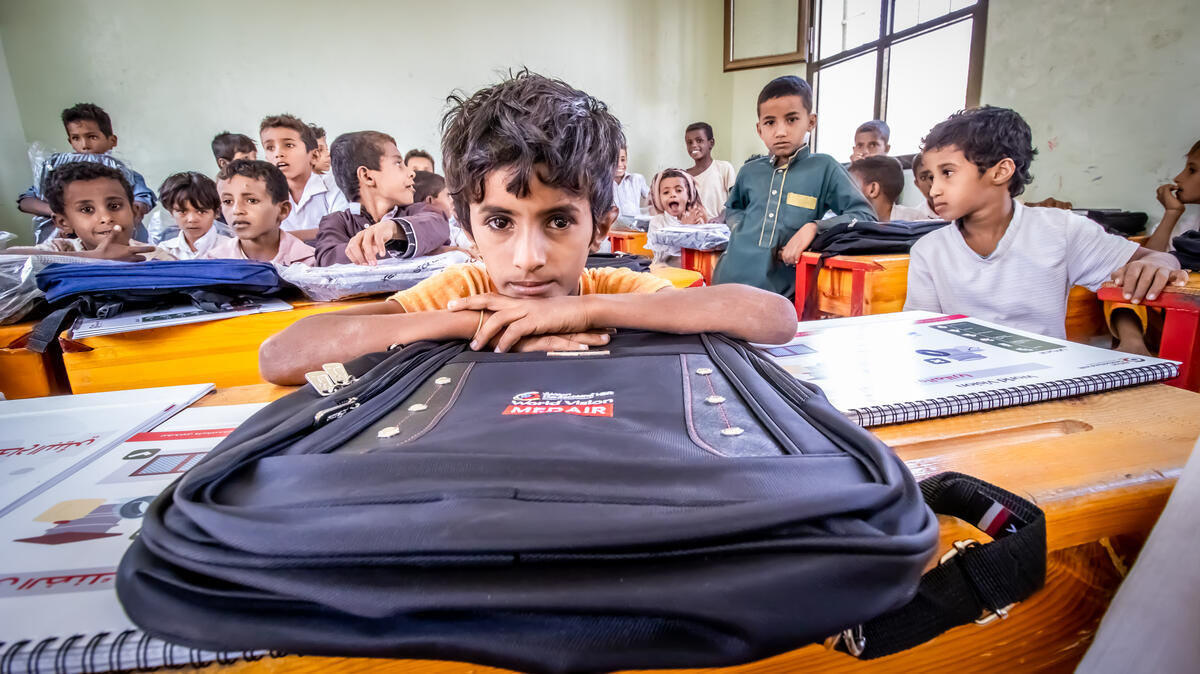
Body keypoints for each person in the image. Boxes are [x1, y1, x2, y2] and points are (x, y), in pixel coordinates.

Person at [259, 71, 796, 385]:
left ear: (600, 227)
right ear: (468, 227)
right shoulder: (464, 295)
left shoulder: (605, 289)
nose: (528, 258)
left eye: (559, 220)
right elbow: (280, 355)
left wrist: (578, 309)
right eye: (499, 222)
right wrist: (479, 327)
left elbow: (773, 317)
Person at [904, 106, 1185, 339]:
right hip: (962, 381)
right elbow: (922, 336)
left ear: (1001, 171)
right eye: (930, 176)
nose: (934, 189)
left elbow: (1155, 258)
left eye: (948, 173)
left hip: (1044, 381)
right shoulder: (929, 250)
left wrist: (1161, 263)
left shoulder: (1059, 230)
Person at [713, 76, 874, 298]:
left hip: (779, 290)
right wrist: (741, 229)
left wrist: (815, 228)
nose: (780, 132)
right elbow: (733, 208)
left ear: (811, 121)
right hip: (727, 278)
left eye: (791, 119)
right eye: (770, 122)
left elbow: (865, 216)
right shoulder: (749, 171)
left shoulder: (824, 167)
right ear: (759, 129)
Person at [17, 103, 156, 243]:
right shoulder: (58, 176)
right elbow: (25, 201)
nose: (85, 145)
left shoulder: (125, 174)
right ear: (70, 141)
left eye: (92, 137)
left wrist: (132, 211)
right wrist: (56, 211)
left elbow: (143, 199)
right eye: (76, 138)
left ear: (112, 141)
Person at [312, 131, 450, 266]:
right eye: (398, 163)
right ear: (367, 176)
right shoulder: (336, 222)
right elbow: (328, 259)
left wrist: (395, 229)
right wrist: (426, 252)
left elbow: (438, 225)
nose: (412, 173)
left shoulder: (421, 210)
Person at [3, 162, 164, 261]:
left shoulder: (154, 256)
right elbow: (6, 258)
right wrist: (92, 258)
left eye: (114, 206)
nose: (106, 218)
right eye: (87, 210)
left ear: (135, 212)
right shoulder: (60, 250)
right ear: (64, 223)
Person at [202, 159, 315, 266]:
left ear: (283, 210)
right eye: (227, 201)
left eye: (251, 201)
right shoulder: (212, 263)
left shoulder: (313, 262)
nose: (236, 210)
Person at [260, 114, 348, 242]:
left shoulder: (336, 185)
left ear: (314, 156)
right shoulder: (263, 192)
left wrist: (279, 238)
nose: (278, 153)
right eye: (270, 148)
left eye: (288, 145)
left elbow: (340, 229)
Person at [156, 171, 230, 259]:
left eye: (201, 212)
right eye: (182, 211)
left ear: (216, 212)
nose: (192, 219)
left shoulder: (232, 250)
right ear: (171, 213)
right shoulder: (164, 251)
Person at [646, 168, 706, 266]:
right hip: (665, 273)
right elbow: (664, 255)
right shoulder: (657, 222)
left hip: (693, 273)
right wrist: (685, 228)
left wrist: (692, 227)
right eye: (666, 192)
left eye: (678, 190)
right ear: (659, 198)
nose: (673, 195)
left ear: (689, 196)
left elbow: (701, 251)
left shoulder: (696, 220)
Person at [847, 155, 929, 221]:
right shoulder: (853, 222)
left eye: (851, 184)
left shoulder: (916, 220)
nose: (845, 192)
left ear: (873, 189)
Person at [684, 122, 736, 220]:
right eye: (689, 142)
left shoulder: (724, 168)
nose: (694, 145)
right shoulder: (684, 176)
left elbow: (735, 200)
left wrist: (721, 217)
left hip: (719, 228)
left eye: (699, 140)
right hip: (693, 229)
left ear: (711, 143)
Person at [612, 144, 649, 219]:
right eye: (614, 160)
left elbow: (654, 199)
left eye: (623, 160)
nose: (619, 164)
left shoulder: (637, 179)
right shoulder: (601, 184)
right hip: (612, 229)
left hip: (634, 228)